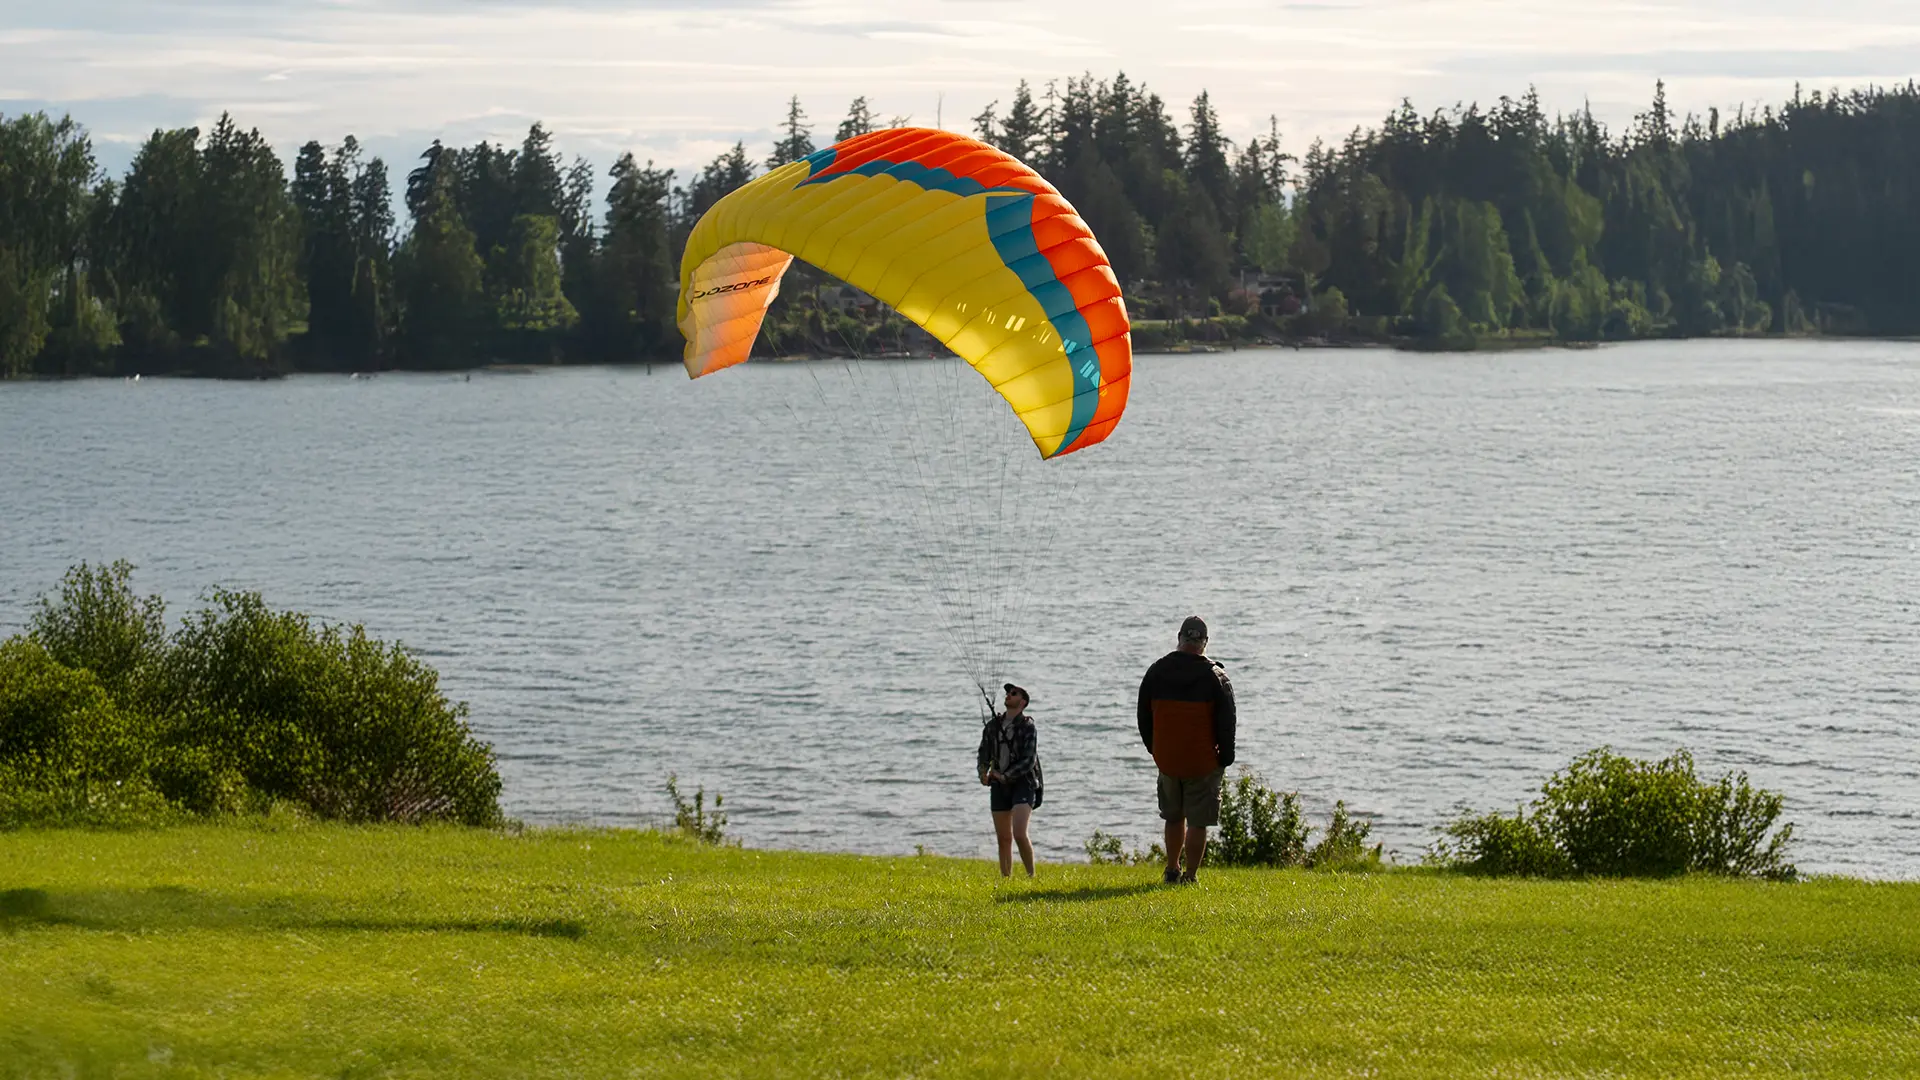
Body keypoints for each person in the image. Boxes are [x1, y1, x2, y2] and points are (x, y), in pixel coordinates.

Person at [1138, 616, 1236, 884]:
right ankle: (1190, 875)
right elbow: (1227, 725)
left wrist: (1155, 750)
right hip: (1202, 761)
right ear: (1205, 642)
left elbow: (1143, 718)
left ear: (1179, 637)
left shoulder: (1156, 672)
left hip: (1168, 759)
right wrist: (1225, 758)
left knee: (1172, 816)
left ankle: (1172, 869)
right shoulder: (1217, 677)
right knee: (1197, 822)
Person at [976, 682, 1040, 878]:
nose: (1008, 695)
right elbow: (983, 751)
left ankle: (1031, 876)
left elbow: (1028, 761)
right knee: (1004, 838)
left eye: (1013, 693)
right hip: (998, 783)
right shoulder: (993, 726)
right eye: (1007, 693)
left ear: (1023, 702)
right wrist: (983, 773)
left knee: (1019, 834)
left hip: (1023, 783)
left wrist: (1005, 776)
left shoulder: (1028, 726)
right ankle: (1006, 879)